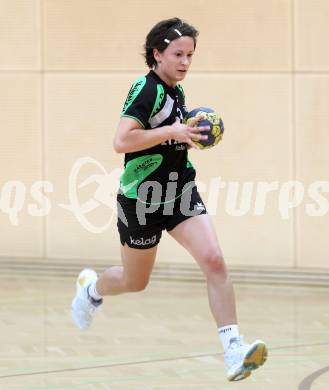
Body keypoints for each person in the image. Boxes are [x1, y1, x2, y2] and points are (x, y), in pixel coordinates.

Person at [71, 17, 268, 382]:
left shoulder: (176, 91)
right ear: (157, 54)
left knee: (215, 261)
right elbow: (122, 141)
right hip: (142, 198)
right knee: (135, 281)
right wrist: (173, 131)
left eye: (190, 55)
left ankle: (233, 349)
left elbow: (165, 138)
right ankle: (91, 290)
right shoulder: (146, 90)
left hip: (178, 191)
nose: (185, 62)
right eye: (178, 54)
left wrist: (186, 136)